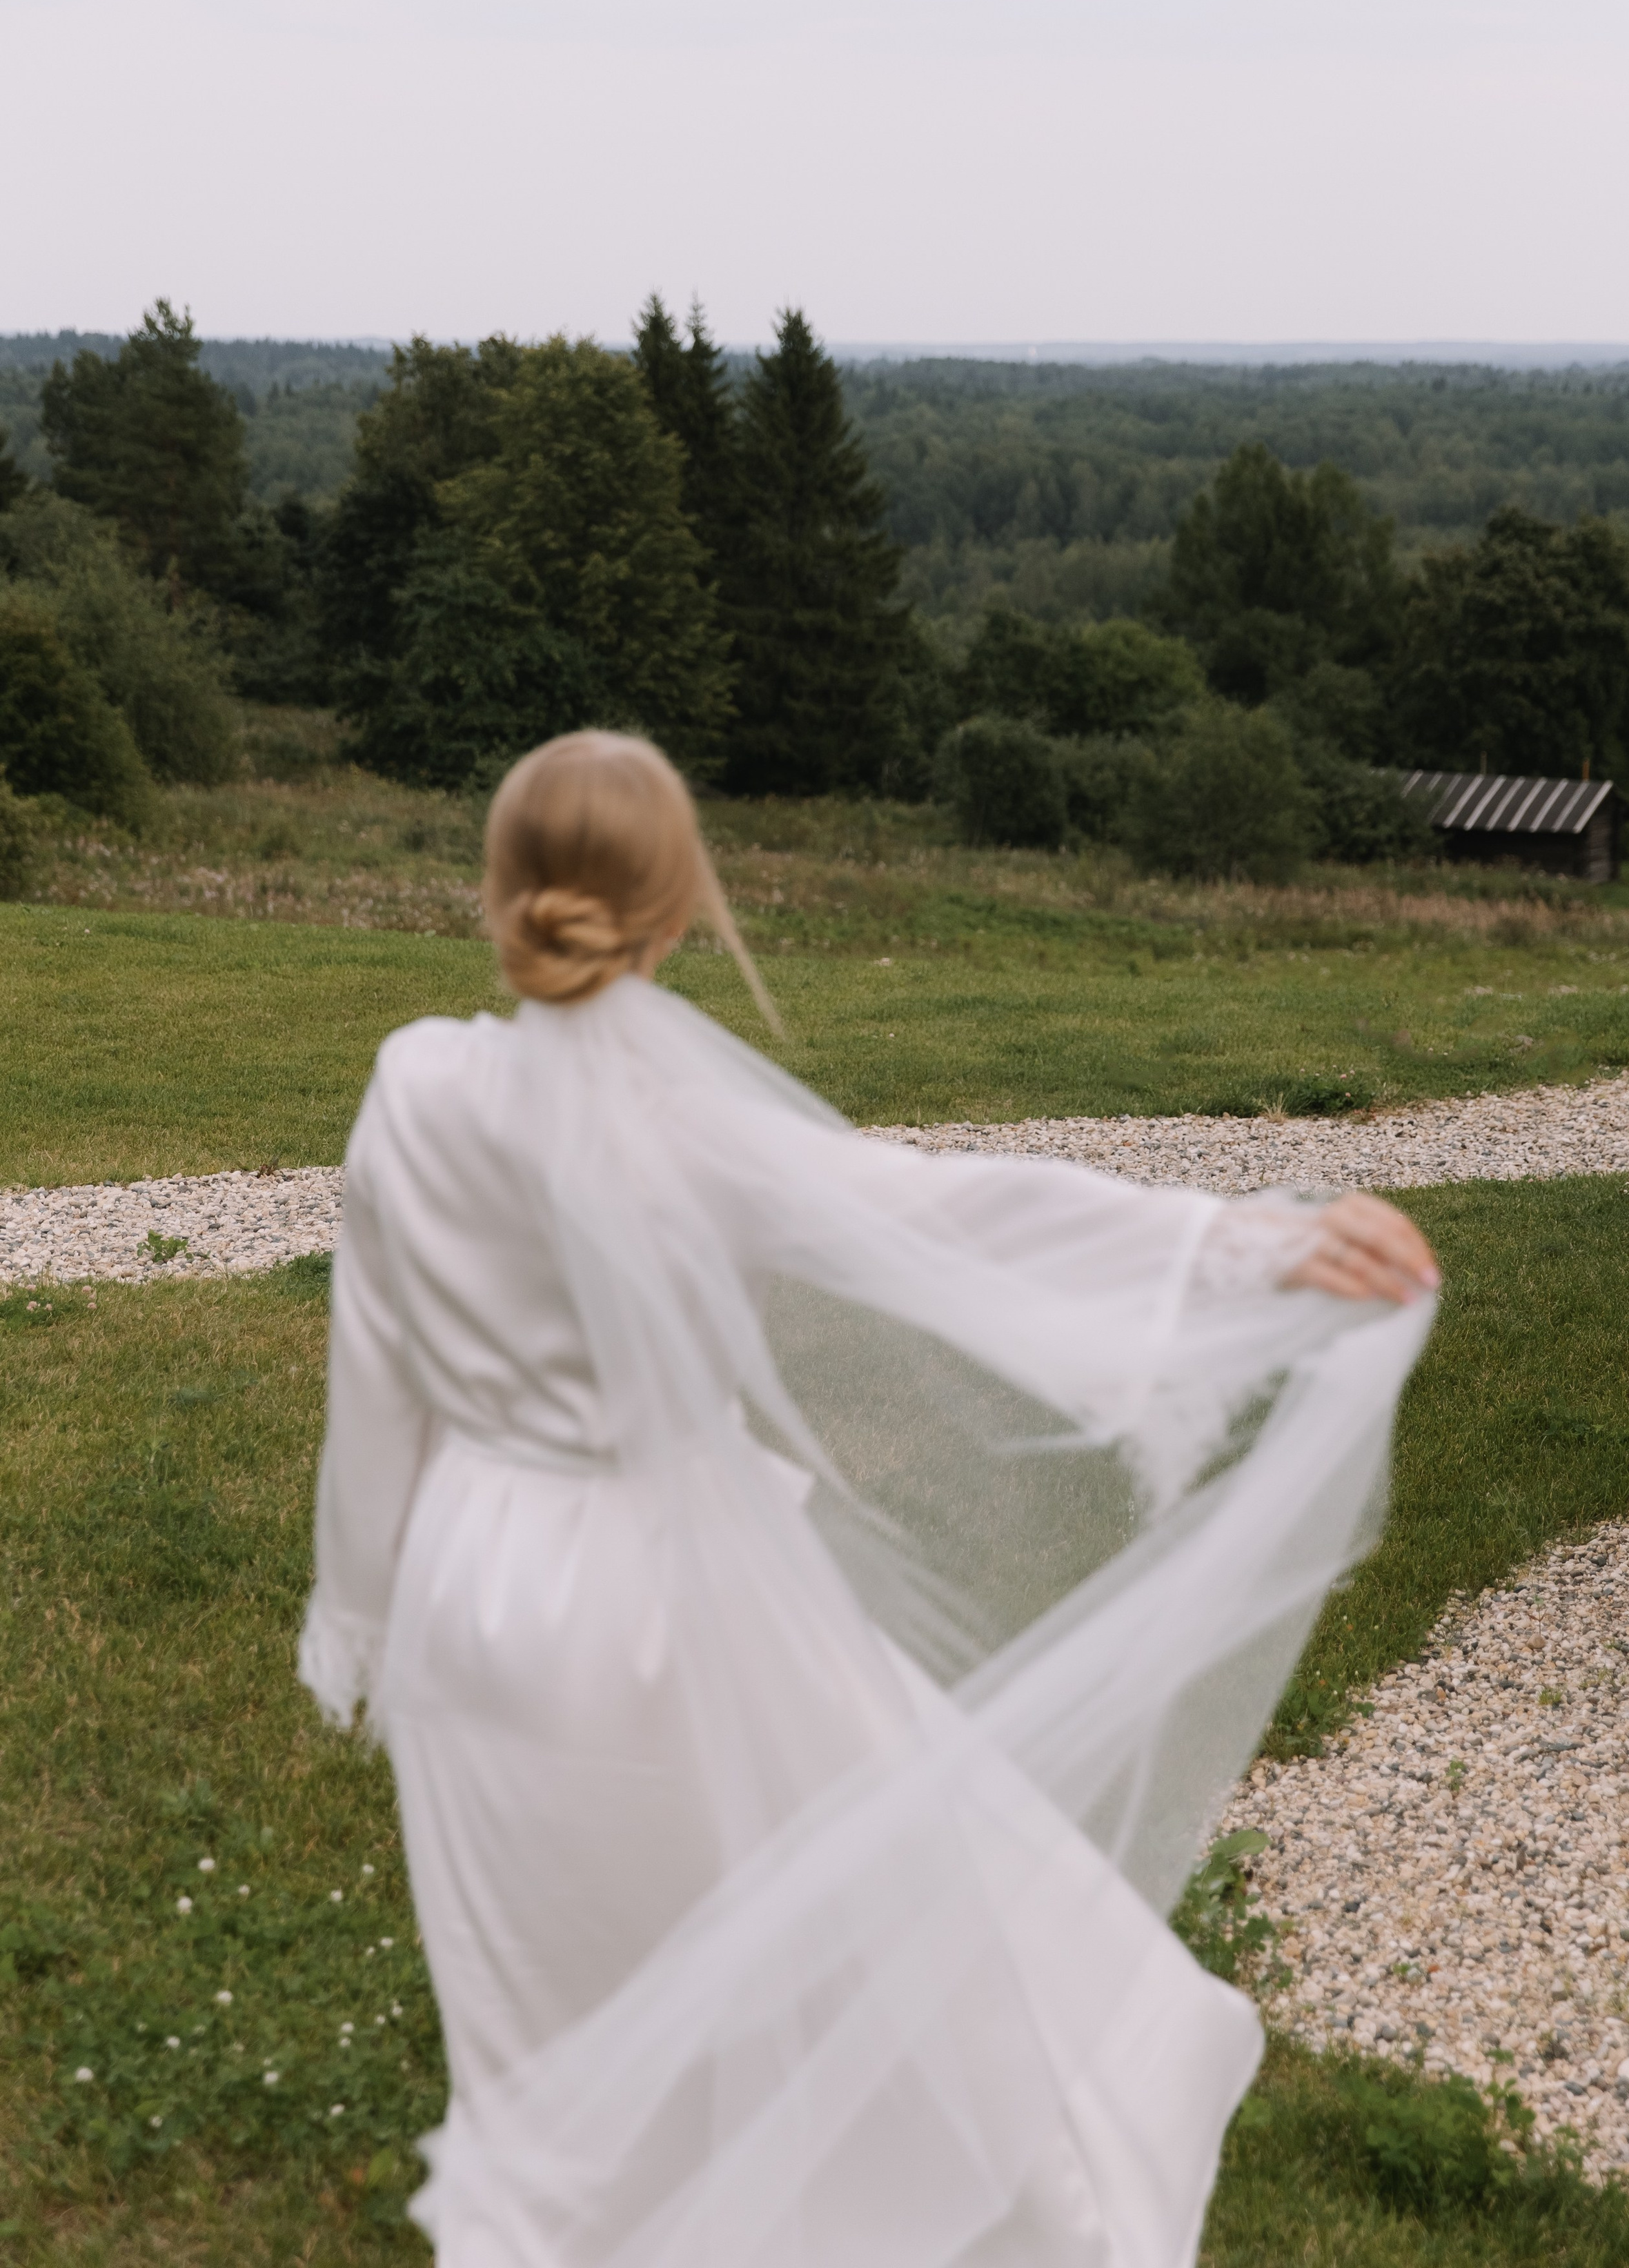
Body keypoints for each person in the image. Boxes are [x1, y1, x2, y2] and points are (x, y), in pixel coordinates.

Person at [300, 729, 1438, 2268]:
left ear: (499, 890)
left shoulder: (409, 1085)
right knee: (849, 1935)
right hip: (656, 1597)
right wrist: (1238, 1245)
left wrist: (359, 1603)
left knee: (531, 2014)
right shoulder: (680, 1128)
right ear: (682, 908)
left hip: (469, 1595)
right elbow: (940, 1214)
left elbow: (374, 1377)